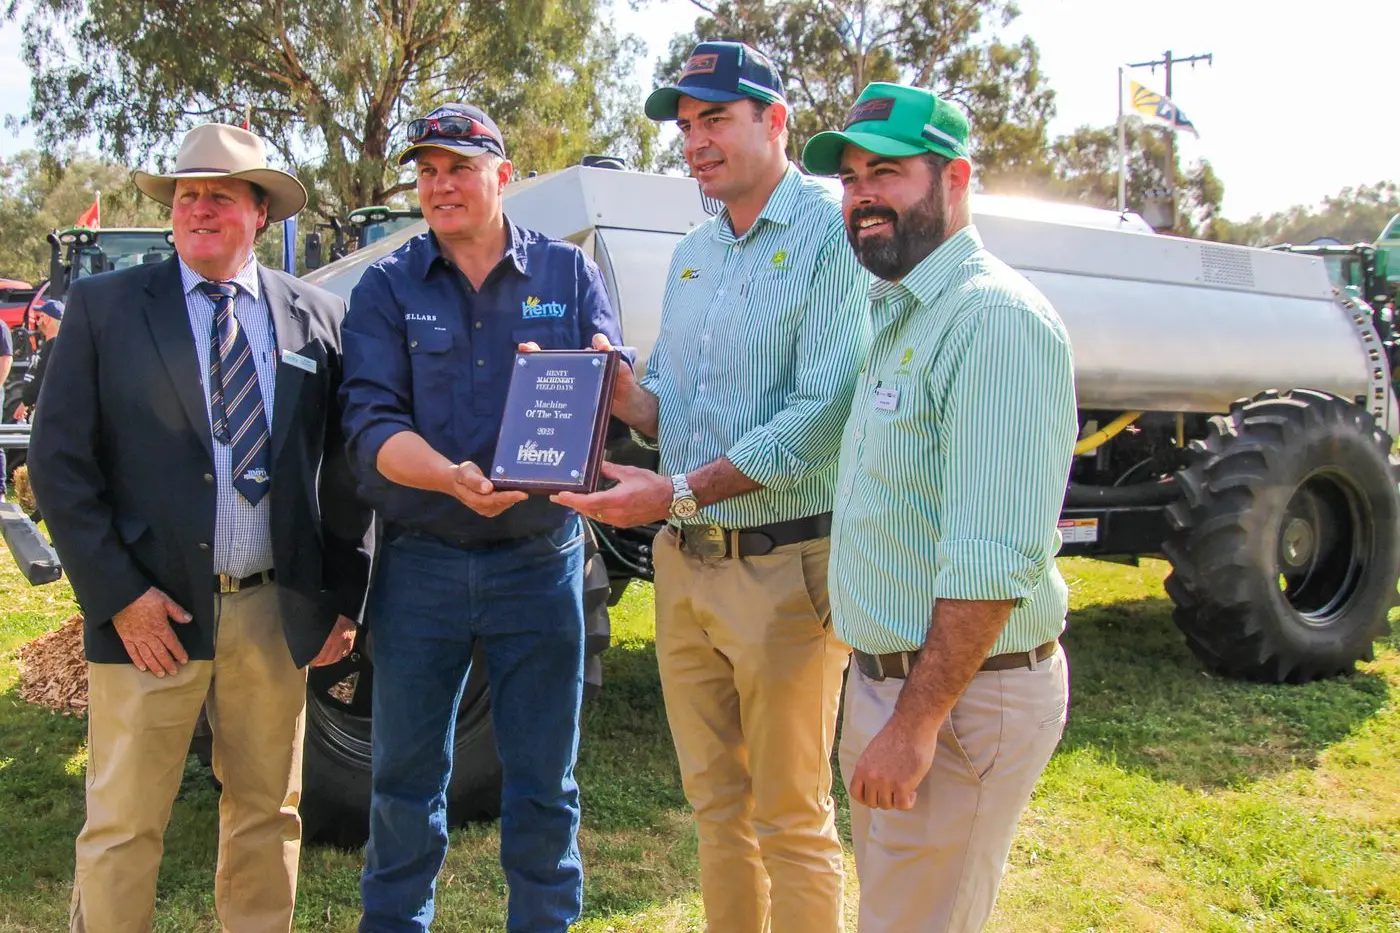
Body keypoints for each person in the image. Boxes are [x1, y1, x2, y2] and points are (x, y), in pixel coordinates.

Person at [553, 41, 870, 933]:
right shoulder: (692, 252)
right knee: (716, 808)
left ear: (775, 121)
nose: (694, 143)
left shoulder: (828, 235)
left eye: (715, 120)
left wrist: (679, 494)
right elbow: (670, 410)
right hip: (686, 571)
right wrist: (605, 391)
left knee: (792, 819)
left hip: (786, 568)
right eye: (685, 127)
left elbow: (824, 414)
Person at [28, 122, 374, 933]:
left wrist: (340, 598)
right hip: (153, 615)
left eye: (221, 194)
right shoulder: (108, 307)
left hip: (272, 612)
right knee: (122, 825)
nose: (200, 208)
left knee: (266, 815)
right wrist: (119, 596)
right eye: (187, 194)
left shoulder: (314, 317)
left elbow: (346, 468)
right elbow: (59, 463)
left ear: (260, 211)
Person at [338, 102, 628, 933]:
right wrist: (449, 477)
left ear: (504, 176)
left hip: (538, 563)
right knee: (402, 787)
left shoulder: (567, 277)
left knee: (543, 785)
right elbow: (370, 424)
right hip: (422, 564)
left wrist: (595, 377)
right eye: (427, 172)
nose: (440, 186)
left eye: (459, 168)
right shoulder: (386, 286)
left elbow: (609, 384)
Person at [799, 82, 1077, 932]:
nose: (861, 196)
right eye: (848, 178)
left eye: (886, 172)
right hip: (899, 684)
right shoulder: (905, 310)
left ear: (954, 179)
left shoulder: (993, 321)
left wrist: (914, 724)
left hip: (955, 700)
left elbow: (993, 557)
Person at [14, 297, 63, 423]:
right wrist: (25, 403)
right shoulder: (47, 345)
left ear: (47, 319)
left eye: (40, 317)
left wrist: (27, 400)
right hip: (39, 407)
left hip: (48, 411)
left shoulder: (56, 347)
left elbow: (43, 377)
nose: (37, 322)